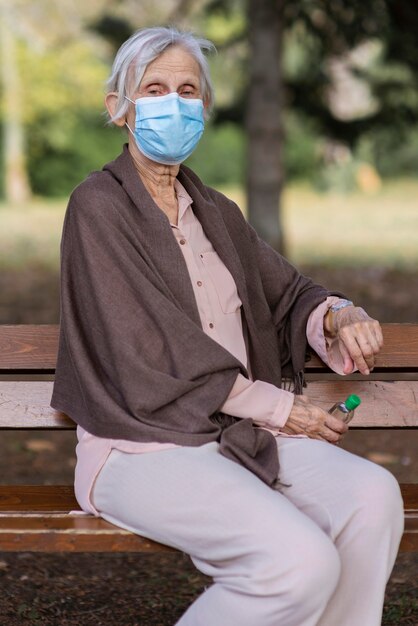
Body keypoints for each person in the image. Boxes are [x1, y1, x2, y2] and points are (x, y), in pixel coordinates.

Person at [51, 26, 403, 626]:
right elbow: (149, 344)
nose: (175, 103)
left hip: (233, 437)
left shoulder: (216, 211)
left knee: (372, 497)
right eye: (154, 88)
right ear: (120, 108)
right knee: (295, 563)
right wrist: (279, 409)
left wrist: (338, 314)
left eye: (189, 91)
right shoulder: (97, 208)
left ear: (205, 110)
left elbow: (289, 293)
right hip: (142, 445)